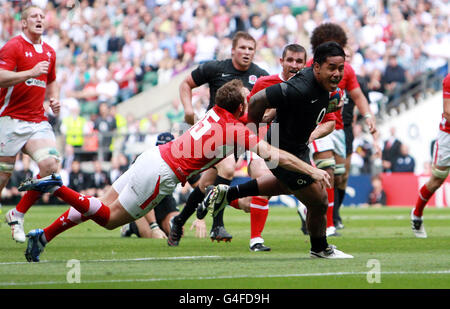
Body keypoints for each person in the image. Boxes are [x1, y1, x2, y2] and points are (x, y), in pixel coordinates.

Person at [19, 79, 330, 262]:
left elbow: (247, 125)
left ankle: (43, 237)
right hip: (161, 174)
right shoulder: (236, 128)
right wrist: (311, 171)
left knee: (101, 204)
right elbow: (272, 152)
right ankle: (57, 187)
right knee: (109, 219)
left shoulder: (216, 112)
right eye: (247, 102)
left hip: (151, 156)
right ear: (239, 108)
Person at [203, 42, 354, 259]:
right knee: (318, 200)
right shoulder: (300, 87)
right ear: (317, 67)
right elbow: (257, 100)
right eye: (332, 68)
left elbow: (306, 111)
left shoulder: (325, 89)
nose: (337, 73)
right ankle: (320, 248)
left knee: (287, 185)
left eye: (340, 68)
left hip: (297, 146)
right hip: (283, 149)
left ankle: (228, 194)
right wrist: (252, 135)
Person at [176, 31, 269, 242]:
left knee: (206, 184)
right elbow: (185, 84)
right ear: (233, 49)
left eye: (250, 49)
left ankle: (179, 221)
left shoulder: (261, 76)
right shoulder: (216, 68)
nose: (246, 52)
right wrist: (188, 110)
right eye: (242, 48)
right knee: (227, 169)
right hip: (215, 132)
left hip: (238, 136)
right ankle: (217, 226)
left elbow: (266, 104)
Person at [305, 23, 377, 234]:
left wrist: (369, 116)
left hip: (340, 127)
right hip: (318, 125)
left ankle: (325, 212)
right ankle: (328, 224)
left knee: (339, 174)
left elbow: (357, 95)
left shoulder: (347, 70)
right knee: (327, 169)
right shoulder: (311, 67)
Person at [0, 5, 61, 243]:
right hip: (9, 119)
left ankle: (17, 213)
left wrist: (54, 99)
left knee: (50, 165)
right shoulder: (13, 46)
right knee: (3, 178)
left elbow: (52, 79)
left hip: (36, 120)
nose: (39, 19)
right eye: (34, 16)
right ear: (23, 23)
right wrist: (30, 72)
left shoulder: (49, 51)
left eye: (42, 16)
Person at [120, 132, 206, 239]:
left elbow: (201, 188)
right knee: (150, 235)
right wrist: (154, 226)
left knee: (177, 231)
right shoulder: (147, 161)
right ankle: (130, 226)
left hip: (165, 198)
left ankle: (161, 225)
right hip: (140, 200)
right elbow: (144, 196)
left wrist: (201, 217)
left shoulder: (183, 161)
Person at [411, 73, 450, 238]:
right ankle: (417, 213)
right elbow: (448, 112)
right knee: (437, 179)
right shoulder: (449, 80)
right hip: (448, 135)